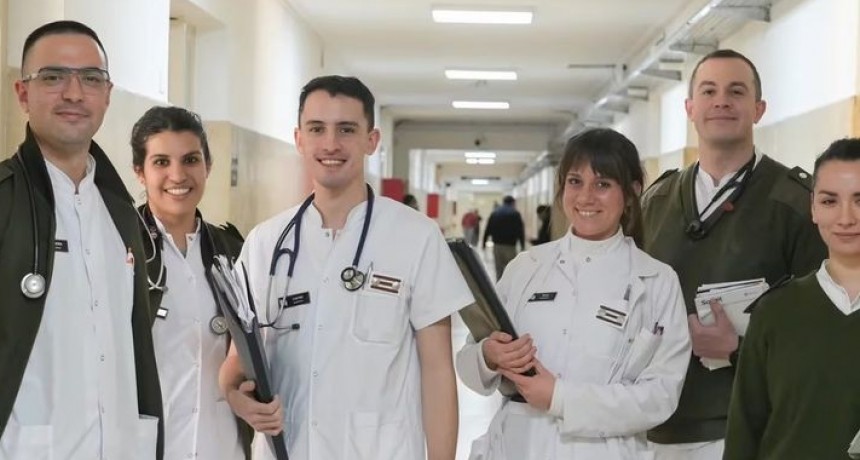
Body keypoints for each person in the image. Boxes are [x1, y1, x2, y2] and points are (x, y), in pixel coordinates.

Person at [219, 75, 474, 460]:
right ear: (299, 139)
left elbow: (438, 373)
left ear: (372, 140)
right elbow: (236, 361)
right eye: (316, 129)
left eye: (346, 129)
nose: (330, 144)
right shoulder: (265, 243)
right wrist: (235, 397)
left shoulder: (416, 237)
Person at [457, 128, 691, 459]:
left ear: (632, 193)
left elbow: (660, 396)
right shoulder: (526, 267)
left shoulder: (657, 280)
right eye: (575, 181)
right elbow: (468, 364)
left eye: (603, 184)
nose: (585, 197)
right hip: (518, 445)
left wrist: (560, 398)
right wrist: (489, 356)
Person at [640, 49, 826, 460]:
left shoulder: (798, 205)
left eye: (736, 91)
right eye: (709, 91)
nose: (721, 101)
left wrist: (738, 348)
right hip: (656, 425)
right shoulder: (654, 203)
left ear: (759, 109)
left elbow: (819, 333)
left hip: (751, 429)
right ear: (690, 108)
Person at [0, 20, 163, 459]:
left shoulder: (122, 214)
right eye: (53, 77)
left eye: (91, 78)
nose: (74, 93)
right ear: (23, 94)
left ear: (107, 95)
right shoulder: (5, 201)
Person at [724, 138, 860, 459]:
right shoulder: (774, 312)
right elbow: (745, 433)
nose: (846, 218)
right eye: (829, 201)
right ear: (813, 208)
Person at [131, 106, 251, 459]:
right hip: (146, 447)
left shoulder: (233, 252)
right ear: (140, 172)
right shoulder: (118, 247)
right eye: (161, 162)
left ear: (207, 166)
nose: (178, 175)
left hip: (222, 445)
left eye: (190, 160)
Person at [482, 195, 525, 279]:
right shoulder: (515, 213)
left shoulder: (495, 213)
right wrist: (522, 245)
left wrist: (484, 242)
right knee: (511, 269)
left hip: (497, 245)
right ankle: (510, 286)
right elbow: (520, 230)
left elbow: (488, 229)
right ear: (513, 203)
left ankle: (499, 286)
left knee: (499, 270)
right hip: (510, 246)